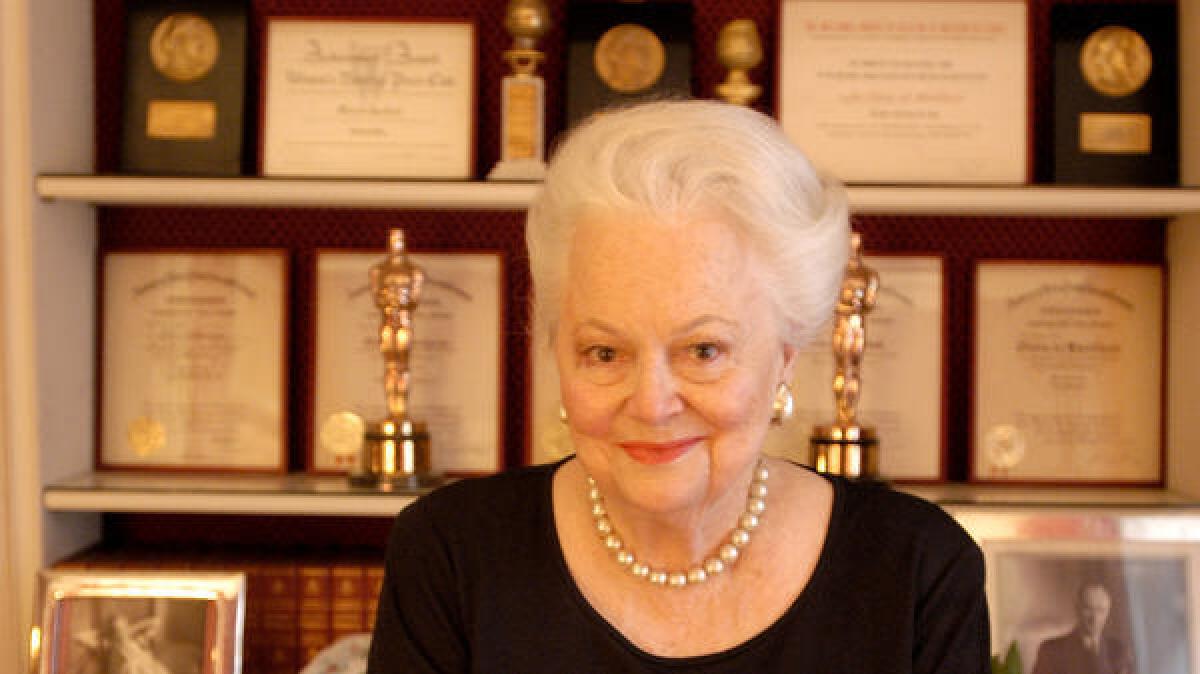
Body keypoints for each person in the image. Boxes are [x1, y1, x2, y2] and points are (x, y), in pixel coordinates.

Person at [367, 100, 989, 672]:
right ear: (555, 350)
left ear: (785, 357)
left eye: (704, 350)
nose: (652, 403)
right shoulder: (450, 554)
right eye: (604, 352)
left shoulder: (918, 572)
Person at [1031, 582, 1134, 674]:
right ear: (1077, 609)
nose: (1095, 618)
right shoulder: (1051, 651)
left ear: (1108, 612)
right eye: (1088, 609)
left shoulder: (1119, 650)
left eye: (1101, 610)